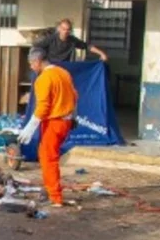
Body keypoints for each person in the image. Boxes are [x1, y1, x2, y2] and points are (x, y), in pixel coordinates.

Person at [18, 48, 78, 207]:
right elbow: (74, 96)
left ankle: (55, 196)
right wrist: (73, 116)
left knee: (48, 157)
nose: (31, 67)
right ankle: (50, 189)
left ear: (38, 61)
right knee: (48, 155)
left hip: (54, 122)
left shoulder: (44, 79)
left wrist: (30, 127)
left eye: (31, 63)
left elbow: (43, 107)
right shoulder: (63, 73)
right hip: (66, 121)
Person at [34, 19, 108, 63]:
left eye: (68, 29)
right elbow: (37, 47)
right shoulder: (51, 39)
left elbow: (87, 46)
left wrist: (101, 53)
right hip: (50, 67)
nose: (66, 31)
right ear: (59, 29)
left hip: (65, 67)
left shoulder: (72, 40)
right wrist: (38, 59)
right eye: (64, 29)